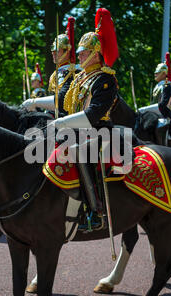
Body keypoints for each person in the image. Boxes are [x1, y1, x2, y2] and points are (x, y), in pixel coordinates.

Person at [49, 8, 120, 230]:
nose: (78, 56)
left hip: (101, 131)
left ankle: (94, 209)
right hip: (81, 129)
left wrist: (63, 123)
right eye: (79, 53)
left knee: (80, 150)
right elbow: (69, 106)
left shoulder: (105, 80)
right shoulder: (82, 77)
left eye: (82, 53)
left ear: (95, 54)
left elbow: (92, 115)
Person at [21, 17, 79, 115]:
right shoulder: (58, 73)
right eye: (53, 50)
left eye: (57, 50)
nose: (53, 53)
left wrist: (34, 102)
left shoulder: (73, 72)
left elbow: (62, 101)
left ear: (67, 51)